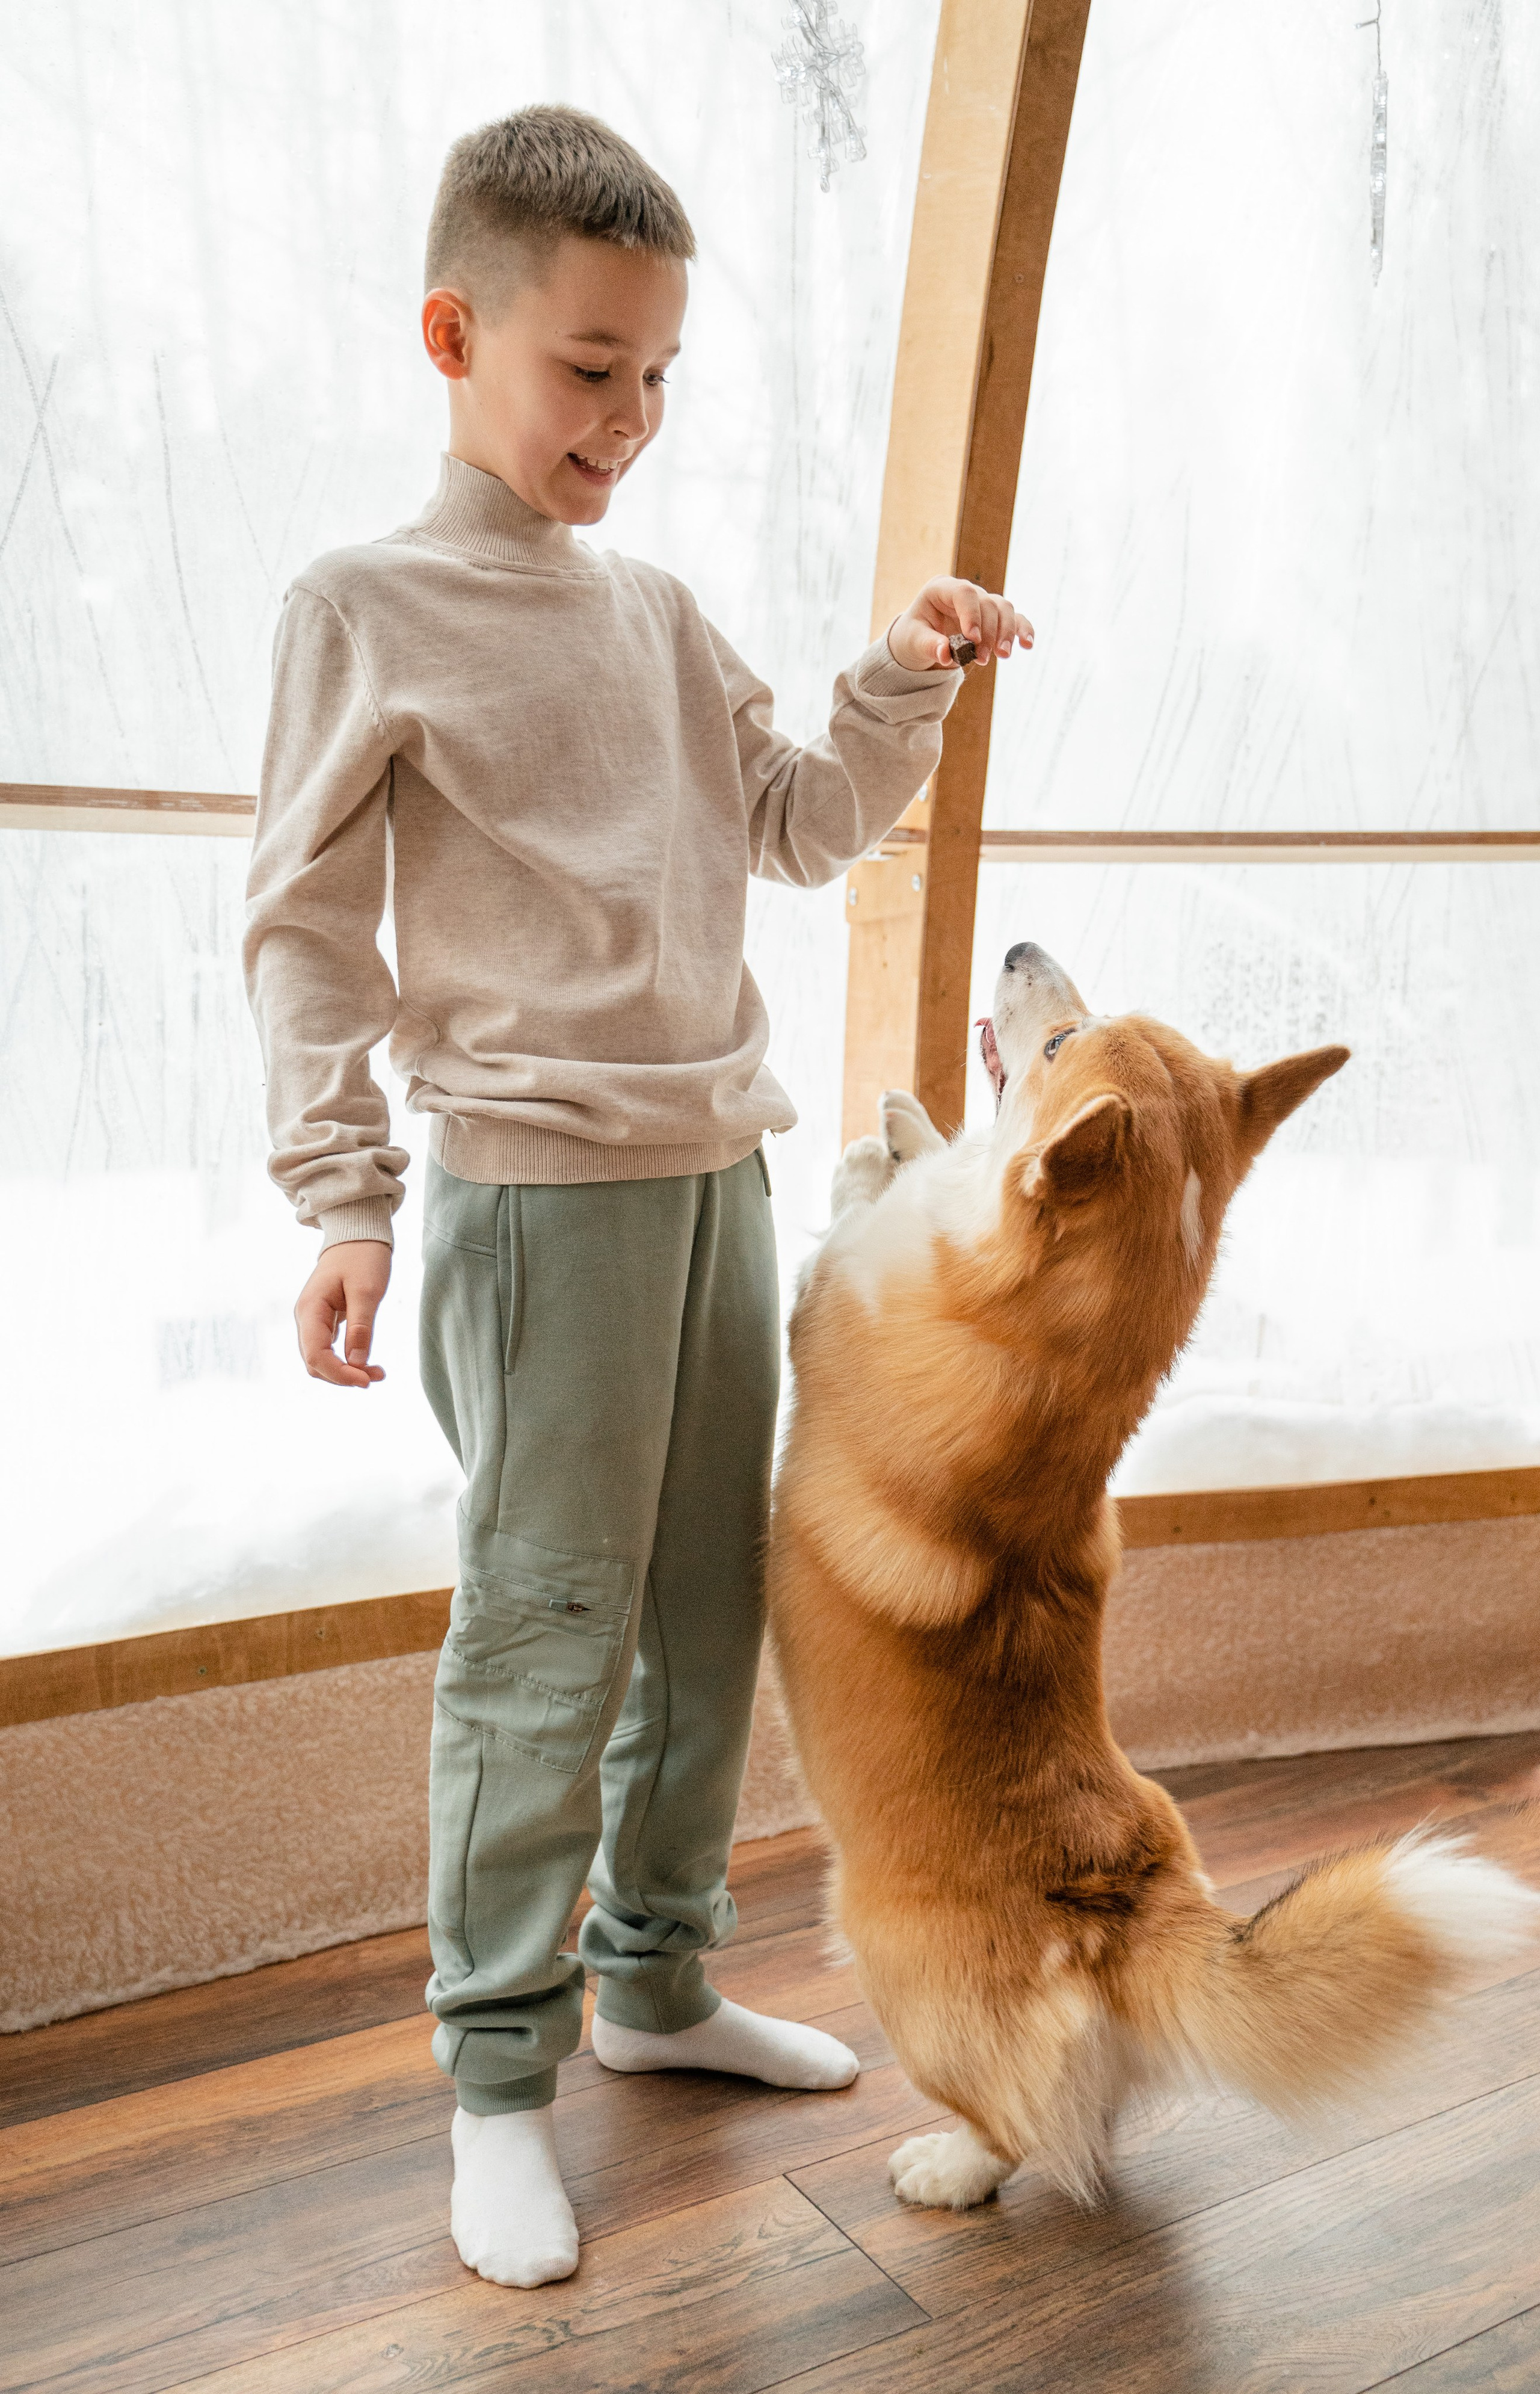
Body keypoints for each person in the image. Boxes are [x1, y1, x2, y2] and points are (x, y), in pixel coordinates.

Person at [244, 102, 1031, 2290]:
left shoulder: (663, 612)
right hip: (532, 1199)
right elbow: (304, 926)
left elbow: (796, 822)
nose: (633, 417)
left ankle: (655, 1982)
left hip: (718, 1177)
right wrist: (345, 1196)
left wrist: (908, 671)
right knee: (547, 1634)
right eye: (592, 368)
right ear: (455, 334)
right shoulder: (364, 605)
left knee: (703, 1621)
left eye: (660, 373)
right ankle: (499, 2072)